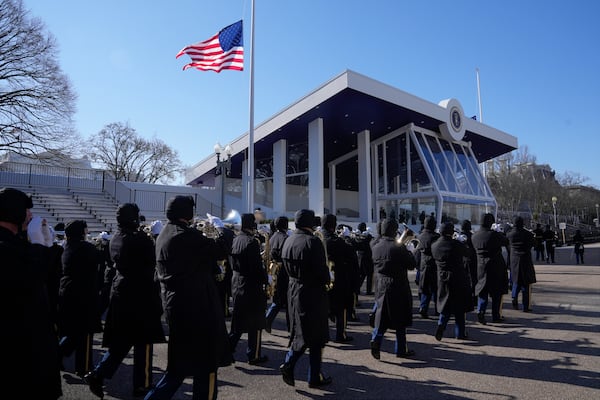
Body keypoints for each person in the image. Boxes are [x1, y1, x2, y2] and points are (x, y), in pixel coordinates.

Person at [145, 195, 232, 400]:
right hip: (197, 307)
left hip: (176, 305)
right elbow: (220, 249)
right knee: (207, 365)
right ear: (187, 214)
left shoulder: (164, 234)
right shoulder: (186, 235)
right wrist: (222, 229)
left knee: (179, 367)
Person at [84, 203, 166, 399]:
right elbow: (154, 258)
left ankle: (98, 373)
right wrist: (156, 237)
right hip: (140, 294)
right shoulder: (139, 239)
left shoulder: (115, 238)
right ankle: (142, 384)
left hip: (122, 291)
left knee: (124, 340)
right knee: (143, 341)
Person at [1, 187, 63, 399]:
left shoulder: (16, 241)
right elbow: (27, 282)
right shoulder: (4, 246)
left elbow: (48, 281)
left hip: (31, 337)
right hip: (17, 344)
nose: (30, 215)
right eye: (26, 210)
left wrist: (46, 246)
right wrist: (38, 246)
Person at [279, 209, 332, 389]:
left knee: (308, 334)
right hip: (312, 292)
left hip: (293, 289)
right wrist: (328, 276)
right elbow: (321, 271)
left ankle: (315, 376)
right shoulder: (313, 241)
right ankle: (289, 363)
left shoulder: (289, 240)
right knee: (310, 335)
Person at [58, 219, 103, 377]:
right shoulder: (86, 248)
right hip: (83, 295)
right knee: (84, 333)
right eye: (85, 229)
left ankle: (57, 355)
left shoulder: (66, 247)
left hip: (68, 292)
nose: (87, 232)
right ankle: (83, 366)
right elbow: (100, 259)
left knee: (74, 332)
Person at [369, 218, 417, 359]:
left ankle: (376, 340)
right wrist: (409, 251)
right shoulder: (399, 247)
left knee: (382, 316)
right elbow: (411, 265)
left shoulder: (376, 246)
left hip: (381, 285)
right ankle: (401, 349)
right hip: (397, 285)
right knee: (400, 319)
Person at [228, 213, 269, 364]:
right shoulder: (252, 242)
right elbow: (257, 268)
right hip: (252, 286)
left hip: (237, 282)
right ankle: (254, 354)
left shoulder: (236, 239)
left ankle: (227, 350)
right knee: (256, 323)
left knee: (237, 323)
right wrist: (267, 278)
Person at [321, 214, 360, 343]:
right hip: (338, 279)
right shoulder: (335, 240)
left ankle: (324, 334)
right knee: (341, 307)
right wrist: (347, 238)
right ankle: (340, 334)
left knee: (324, 307)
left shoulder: (318, 238)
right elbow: (351, 253)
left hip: (321, 278)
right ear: (333, 225)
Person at [431, 222, 472, 341]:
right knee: (460, 308)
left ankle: (441, 324)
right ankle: (460, 333)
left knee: (445, 305)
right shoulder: (456, 245)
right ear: (451, 232)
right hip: (458, 277)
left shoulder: (435, 245)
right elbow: (468, 253)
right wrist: (462, 241)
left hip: (442, 277)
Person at [471, 213, 510, 324]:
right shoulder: (494, 235)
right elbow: (506, 241)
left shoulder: (474, 235)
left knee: (482, 291)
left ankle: (481, 311)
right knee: (496, 293)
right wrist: (499, 232)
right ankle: (495, 315)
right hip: (495, 265)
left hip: (481, 266)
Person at [265, 216, 291, 333]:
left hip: (273, 271)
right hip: (283, 272)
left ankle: (268, 320)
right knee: (288, 302)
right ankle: (291, 328)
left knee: (277, 300)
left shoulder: (272, 237)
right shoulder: (285, 237)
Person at [506, 216, 537, 312]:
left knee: (516, 281)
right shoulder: (528, 234)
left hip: (514, 259)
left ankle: (514, 297)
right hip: (525, 259)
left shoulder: (509, 234)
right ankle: (525, 306)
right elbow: (534, 244)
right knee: (526, 284)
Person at [416, 216, 440, 318]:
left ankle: (423, 307)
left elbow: (417, 252)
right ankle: (438, 309)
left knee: (425, 288)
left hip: (423, 264)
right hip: (434, 264)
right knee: (436, 289)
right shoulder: (436, 237)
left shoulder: (420, 236)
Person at [354, 222, 375, 295]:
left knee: (362, 275)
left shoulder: (357, 236)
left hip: (360, 258)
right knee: (369, 274)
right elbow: (369, 242)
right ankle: (368, 291)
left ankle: (357, 289)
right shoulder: (367, 236)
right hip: (367, 258)